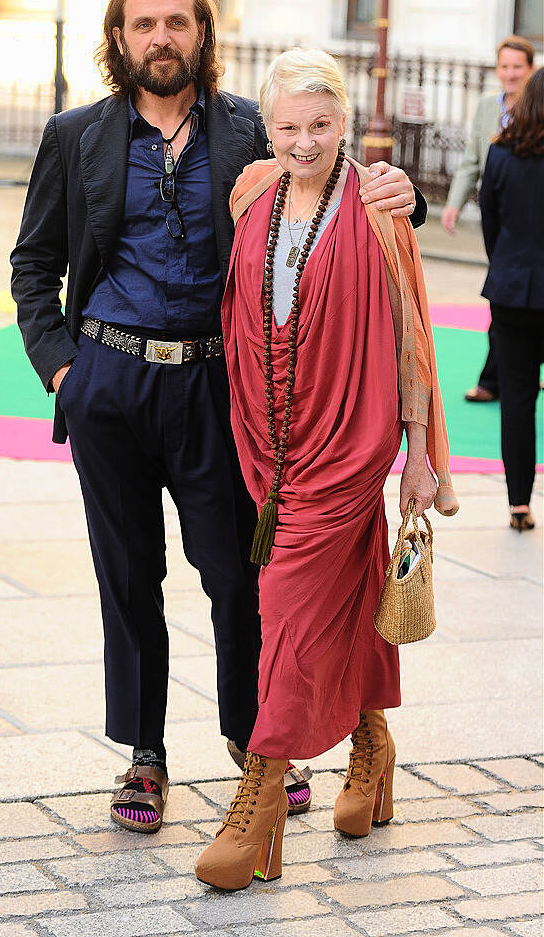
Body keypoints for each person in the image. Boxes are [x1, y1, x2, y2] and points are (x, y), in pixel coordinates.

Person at [10, 0, 426, 835]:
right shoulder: (74, 134)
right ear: (119, 40)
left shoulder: (247, 129)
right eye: (142, 25)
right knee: (128, 580)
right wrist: (62, 371)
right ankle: (145, 755)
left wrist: (407, 196)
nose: (161, 38)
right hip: (109, 383)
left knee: (239, 578)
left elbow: (329, 176)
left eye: (176, 22)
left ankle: (255, 744)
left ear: (202, 33)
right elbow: (32, 265)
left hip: (217, 389)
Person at [195, 48, 458, 891]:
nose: (303, 142)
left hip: (348, 442)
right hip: (269, 441)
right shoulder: (252, 192)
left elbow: (411, 336)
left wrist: (420, 455)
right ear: (265, 129)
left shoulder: (378, 207)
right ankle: (372, 748)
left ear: (343, 123)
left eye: (319, 124)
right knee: (341, 597)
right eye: (287, 127)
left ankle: (261, 793)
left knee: (286, 612)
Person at [441, 36, 534, 403]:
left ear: (530, 70)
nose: (510, 74)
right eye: (505, 67)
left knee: (517, 299)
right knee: (505, 296)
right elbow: (471, 160)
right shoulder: (485, 108)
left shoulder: (537, 109)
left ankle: (501, 377)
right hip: (499, 218)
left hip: (533, 220)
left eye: (518, 67)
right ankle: (498, 378)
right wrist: (453, 204)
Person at [479, 67, 544, 532]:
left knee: (517, 400)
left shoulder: (500, 154)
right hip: (518, 286)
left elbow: (490, 221)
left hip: (512, 289)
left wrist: (505, 266)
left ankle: (518, 503)